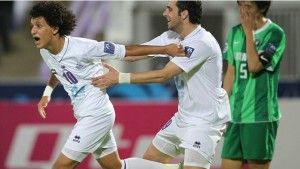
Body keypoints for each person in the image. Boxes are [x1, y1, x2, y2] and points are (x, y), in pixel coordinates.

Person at [30, 2, 186, 169]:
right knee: (116, 167)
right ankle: (179, 168)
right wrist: (47, 93)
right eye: (32, 26)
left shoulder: (84, 48)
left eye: (39, 26)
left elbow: (127, 52)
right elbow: (57, 70)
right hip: (85, 114)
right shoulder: (45, 51)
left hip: (96, 115)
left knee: (61, 166)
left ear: (54, 28)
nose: (33, 31)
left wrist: (165, 49)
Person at [92, 1, 231, 169]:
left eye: (170, 9)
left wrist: (119, 78)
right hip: (182, 117)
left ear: (184, 14)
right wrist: (92, 52)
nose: (165, 13)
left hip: (205, 121)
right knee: (149, 162)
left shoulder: (201, 42)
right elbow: (131, 55)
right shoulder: (171, 38)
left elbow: (163, 74)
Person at [220, 1, 286, 169]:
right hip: (235, 116)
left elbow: (255, 66)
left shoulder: (275, 34)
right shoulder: (234, 32)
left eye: (248, 5)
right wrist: (220, 108)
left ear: (262, 7)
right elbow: (230, 74)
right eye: (241, 4)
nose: (243, 10)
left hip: (260, 117)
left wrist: (249, 31)